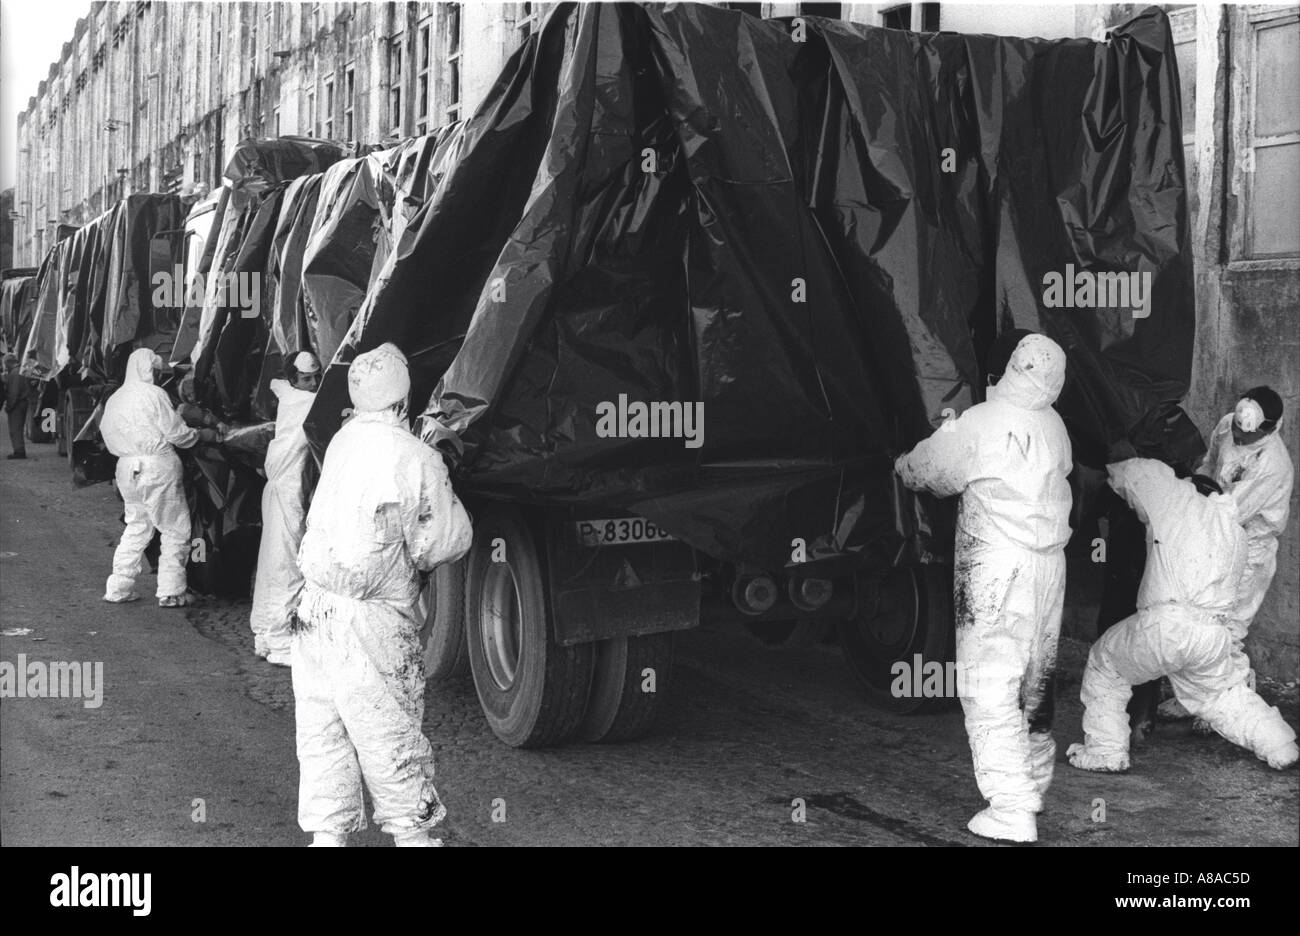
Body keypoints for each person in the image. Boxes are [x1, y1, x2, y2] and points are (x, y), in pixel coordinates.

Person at [292, 343, 472, 847]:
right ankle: (415, 841)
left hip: (314, 611)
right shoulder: (415, 457)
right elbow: (444, 542)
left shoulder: (343, 441)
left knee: (324, 738)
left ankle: (327, 841)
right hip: (370, 622)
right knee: (389, 737)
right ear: (404, 398)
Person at [895, 332, 1072, 843]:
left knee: (989, 681)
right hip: (1049, 567)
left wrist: (899, 466)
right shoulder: (1055, 425)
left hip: (997, 567)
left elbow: (930, 470)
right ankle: (1032, 783)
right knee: (1037, 678)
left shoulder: (980, 422)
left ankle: (1012, 807)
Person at [1067, 459, 1297, 772]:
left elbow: (1133, 472)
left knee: (1104, 663)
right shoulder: (1235, 533)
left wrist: (1111, 457)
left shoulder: (1179, 499)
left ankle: (1105, 751)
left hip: (1166, 626)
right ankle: (1281, 746)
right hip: (1211, 637)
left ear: (1191, 488)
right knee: (1224, 697)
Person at [1160, 388, 1293, 725]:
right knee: (1200, 620)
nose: (1237, 436)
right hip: (1216, 534)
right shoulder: (1227, 425)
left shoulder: (1271, 463)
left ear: (1267, 429)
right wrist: (1195, 486)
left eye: (1245, 435)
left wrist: (1188, 513)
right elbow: (1210, 464)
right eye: (1235, 428)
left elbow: (1234, 511)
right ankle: (1194, 698)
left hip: (1250, 548)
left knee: (1229, 628)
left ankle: (1234, 705)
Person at [100, 348, 217, 606]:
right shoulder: (155, 394)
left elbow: (106, 432)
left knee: (136, 526)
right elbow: (176, 433)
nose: (157, 375)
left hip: (126, 467)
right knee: (174, 528)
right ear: (148, 370)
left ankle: (118, 587)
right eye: (155, 370)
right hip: (157, 466)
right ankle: (171, 591)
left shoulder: (116, 398)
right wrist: (199, 435)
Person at [249, 351, 321, 666]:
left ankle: (265, 635)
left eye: (316, 377)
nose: (314, 384)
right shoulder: (305, 403)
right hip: (287, 494)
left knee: (271, 565)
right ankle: (280, 643)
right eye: (307, 379)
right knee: (286, 568)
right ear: (294, 379)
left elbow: (276, 384)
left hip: (278, 491)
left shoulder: (289, 396)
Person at [3, 353, 29, 459]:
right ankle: (19, 450)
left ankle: (19, 451)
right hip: (22, 402)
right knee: (18, 427)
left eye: (5, 364)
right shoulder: (20, 370)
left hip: (17, 404)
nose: (5, 367)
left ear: (8, 363)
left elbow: (14, 392)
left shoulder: (14, 373)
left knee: (15, 429)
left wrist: (9, 406)